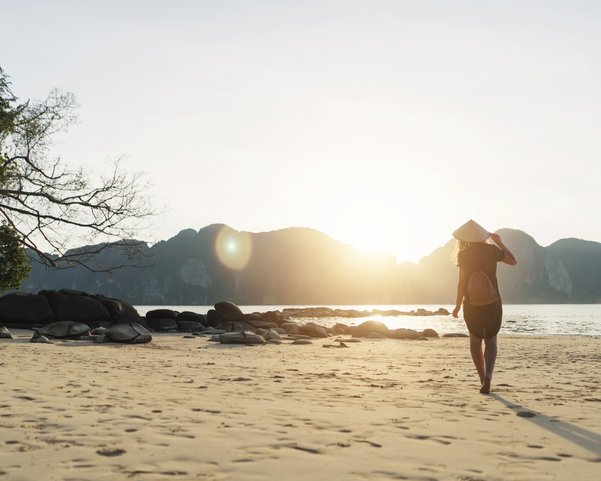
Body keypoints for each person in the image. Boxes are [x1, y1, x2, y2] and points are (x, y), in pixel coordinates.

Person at [451, 219, 517, 394]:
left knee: (475, 341)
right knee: (491, 340)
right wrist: (499, 241)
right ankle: (489, 375)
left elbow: (462, 283)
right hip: (493, 301)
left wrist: (457, 306)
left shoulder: (463, 255)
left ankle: (482, 378)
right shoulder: (492, 250)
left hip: (472, 303)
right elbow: (513, 261)